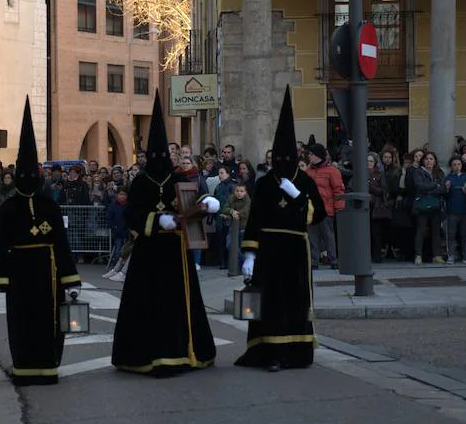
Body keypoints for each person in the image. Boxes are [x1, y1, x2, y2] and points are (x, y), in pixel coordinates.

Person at [111, 93, 218, 377]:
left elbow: (191, 207)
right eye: (155, 155)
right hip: (148, 252)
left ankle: (184, 350)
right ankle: (146, 355)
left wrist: (205, 206)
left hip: (176, 253)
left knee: (178, 302)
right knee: (147, 302)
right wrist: (157, 221)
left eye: (165, 155)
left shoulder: (180, 180)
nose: (161, 159)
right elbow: (131, 215)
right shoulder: (140, 183)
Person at [237, 86, 327, 373]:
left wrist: (298, 195)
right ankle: (269, 352)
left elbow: (319, 214)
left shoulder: (306, 181)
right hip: (268, 251)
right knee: (271, 302)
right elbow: (254, 219)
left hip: (296, 250)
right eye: (278, 156)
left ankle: (296, 352)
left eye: (287, 156)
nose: (282, 162)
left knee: (295, 301)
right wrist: (249, 256)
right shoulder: (264, 184)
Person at [0, 98, 81, 386]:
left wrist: (70, 277)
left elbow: (61, 242)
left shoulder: (49, 206)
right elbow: (1, 245)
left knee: (48, 319)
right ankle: (24, 367)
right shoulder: (8, 208)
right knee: (21, 321)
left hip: (48, 272)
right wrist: (0, 278)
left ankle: (47, 365)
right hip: (19, 273)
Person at [411, 151, 446, 265]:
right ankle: (418, 255)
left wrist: (431, 188)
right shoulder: (418, 172)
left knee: (436, 232)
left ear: (435, 161)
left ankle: (437, 255)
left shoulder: (439, 172)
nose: (429, 161)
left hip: (436, 205)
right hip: (422, 205)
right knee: (420, 231)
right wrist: (434, 185)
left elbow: (442, 189)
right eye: (426, 159)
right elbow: (420, 186)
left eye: (431, 159)